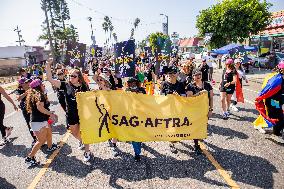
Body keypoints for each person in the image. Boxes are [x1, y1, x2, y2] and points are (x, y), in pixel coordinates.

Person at [46, 59, 92, 162]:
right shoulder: (65, 85)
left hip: (83, 114)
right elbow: (49, 79)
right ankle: (82, 141)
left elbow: (91, 100)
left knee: (84, 133)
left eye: (74, 76)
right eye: (70, 75)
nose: (71, 78)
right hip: (71, 114)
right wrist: (47, 65)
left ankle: (87, 151)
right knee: (74, 133)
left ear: (79, 77)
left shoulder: (84, 87)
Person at [25, 79, 58, 166]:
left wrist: (49, 114)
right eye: (42, 85)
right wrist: (50, 114)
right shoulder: (40, 95)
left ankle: (50, 147)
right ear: (38, 87)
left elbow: (41, 108)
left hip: (40, 120)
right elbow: (40, 107)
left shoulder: (36, 95)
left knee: (49, 133)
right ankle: (30, 158)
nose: (44, 86)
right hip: (38, 122)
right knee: (41, 141)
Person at [255, 61, 284, 143]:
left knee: (279, 117)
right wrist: (259, 98)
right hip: (273, 101)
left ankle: (277, 132)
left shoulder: (281, 77)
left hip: (277, 101)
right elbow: (267, 89)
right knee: (279, 118)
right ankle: (276, 134)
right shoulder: (277, 79)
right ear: (281, 69)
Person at [186, 69, 213, 153]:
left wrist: (211, 109)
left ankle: (199, 138)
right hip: (194, 111)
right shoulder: (190, 86)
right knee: (196, 127)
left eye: (199, 75)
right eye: (196, 75)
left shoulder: (207, 85)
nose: (198, 76)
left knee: (203, 126)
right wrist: (199, 93)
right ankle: (196, 145)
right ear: (193, 76)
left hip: (204, 110)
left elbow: (211, 98)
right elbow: (189, 99)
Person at [160, 66, 186, 154]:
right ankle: (171, 144)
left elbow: (184, 97)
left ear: (177, 74)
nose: (171, 75)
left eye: (173, 73)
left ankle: (175, 138)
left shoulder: (181, 84)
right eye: (169, 74)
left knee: (177, 126)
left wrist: (178, 96)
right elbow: (161, 97)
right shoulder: (164, 84)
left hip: (178, 109)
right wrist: (169, 97)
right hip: (168, 109)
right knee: (171, 126)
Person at [125, 77, 146, 162]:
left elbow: (148, 101)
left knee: (140, 134)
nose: (133, 84)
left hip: (141, 115)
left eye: (135, 82)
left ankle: (139, 145)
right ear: (129, 84)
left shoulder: (142, 90)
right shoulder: (126, 91)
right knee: (134, 136)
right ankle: (137, 153)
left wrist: (139, 94)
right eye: (131, 83)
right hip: (131, 116)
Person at [15, 78, 37, 147]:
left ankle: (41, 137)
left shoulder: (32, 87)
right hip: (25, 109)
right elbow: (18, 98)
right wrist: (27, 92)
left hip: (34, 108)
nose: (27, 83)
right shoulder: (19, 89)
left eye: (28, 82)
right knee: (30, 124)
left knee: (37, 122)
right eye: (25, 82)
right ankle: (35, 139)